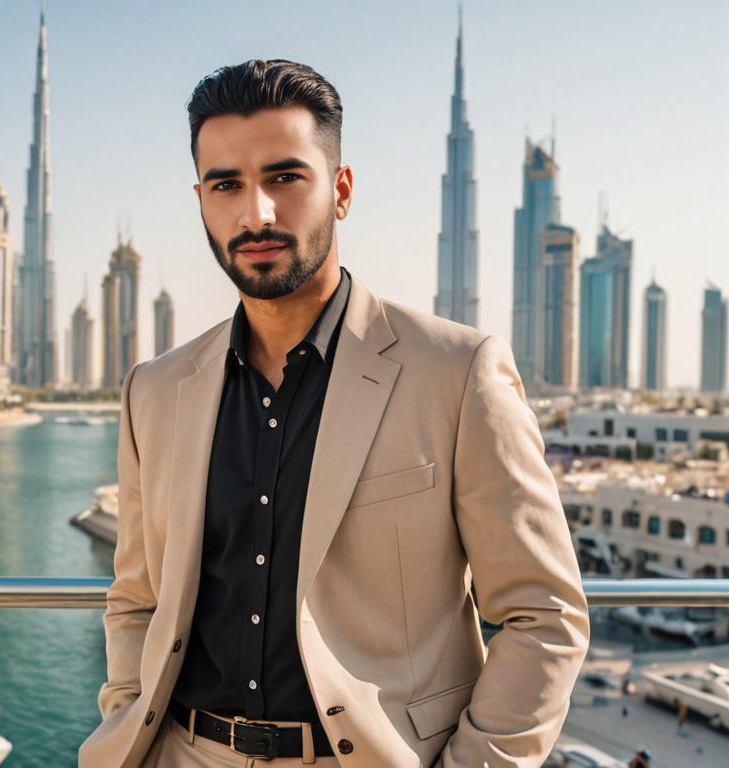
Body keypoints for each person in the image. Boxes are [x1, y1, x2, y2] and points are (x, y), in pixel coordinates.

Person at [79, 59, 591, 767]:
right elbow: (135, 599)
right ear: (200, 200)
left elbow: (545, 616)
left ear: (340, 190)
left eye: (285, 178)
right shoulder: (153, 390)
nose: (255, 213)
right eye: (226, 185)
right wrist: (129, 723)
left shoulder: (457, 372)